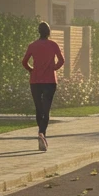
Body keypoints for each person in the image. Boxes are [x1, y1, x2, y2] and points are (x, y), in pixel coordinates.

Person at [22, 22, 65, 151]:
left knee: (38, 108)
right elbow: (61, 60)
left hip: (35, 81)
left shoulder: (32, 46)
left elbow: (24, 62)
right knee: (46, 109)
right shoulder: (53, 45)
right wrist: (54, 68)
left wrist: (31, 70)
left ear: (38, 32)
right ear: (49, 32)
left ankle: (41, 136)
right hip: (50, 81)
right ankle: (42, 134)